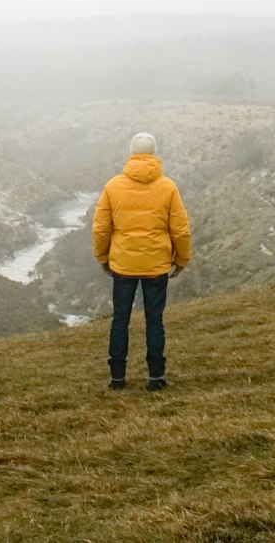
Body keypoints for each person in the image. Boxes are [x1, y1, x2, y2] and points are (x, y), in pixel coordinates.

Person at [92, 131, 192, 391]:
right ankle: (156, 378)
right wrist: (181, 259)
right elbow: (180, 229)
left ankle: (117, 378)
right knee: (154, 321)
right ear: (155, 153)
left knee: (120, 321)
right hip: (156, 265)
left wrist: (103, 257)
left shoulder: (113, 186)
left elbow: (101, 228)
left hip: (123, 264)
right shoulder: (168, 187)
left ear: (131, 153)